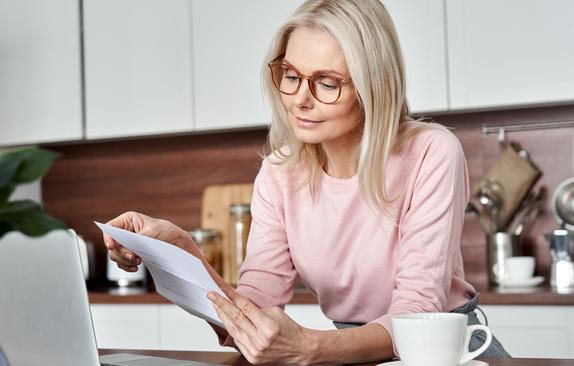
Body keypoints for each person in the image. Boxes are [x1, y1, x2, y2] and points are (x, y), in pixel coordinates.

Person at [103, 0, 510, 364]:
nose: (300, 98)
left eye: (327, 83)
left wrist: (311, 349)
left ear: (374, 86)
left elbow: (417, 314)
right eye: (292, 75)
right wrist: (182, 252)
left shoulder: (432, 152)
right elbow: (255, 312)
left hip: (448, 353)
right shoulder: (281, 172)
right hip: (347, 355)